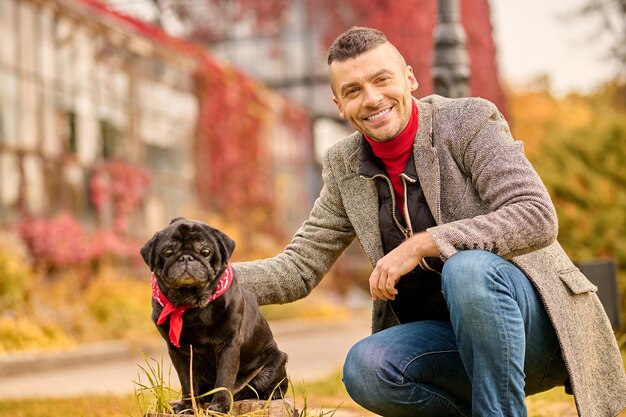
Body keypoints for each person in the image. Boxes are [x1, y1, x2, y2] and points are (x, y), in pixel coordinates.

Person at [233, 26, 626, 417]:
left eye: (381, 79)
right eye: (353, 91)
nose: (372, 99)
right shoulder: (343, 164)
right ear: (339, 105)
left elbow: (535, 215)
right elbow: (299, 268)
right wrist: (205, 281)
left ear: (410, 78)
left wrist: (423, 243)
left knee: (467, 269)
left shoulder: (468, 121)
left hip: (538, 333)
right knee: (367, 367)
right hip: (450, 345)